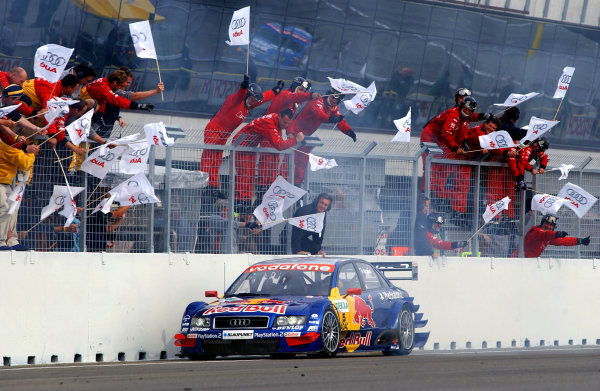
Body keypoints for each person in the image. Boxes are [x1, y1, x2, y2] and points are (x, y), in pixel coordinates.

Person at [199, 74, 278, 195]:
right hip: (214, 130)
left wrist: (274, 91)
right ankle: (205, 184)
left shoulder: (247, 106)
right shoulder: (236, 101)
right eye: (252, 98)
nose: (253, 102)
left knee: (217, 160)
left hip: (224, 135)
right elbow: (240, 94)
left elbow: (263, 99)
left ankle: (213, 186)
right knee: (209, 157)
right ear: (247, 95)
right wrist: (244, 86)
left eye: (254, 100)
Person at [232, 108, 304, 213]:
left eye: (288, 123)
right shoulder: (269, 123)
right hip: (241, 145)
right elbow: (279, 145)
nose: (286, 126)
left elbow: (278, 143)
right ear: (279, 116)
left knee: (250, 176)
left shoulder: (276, 122)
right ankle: (239, 202)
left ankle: (246, 202)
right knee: (244, 174)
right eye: (284, 122)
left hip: (250, 146)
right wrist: (295, 140)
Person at [256, 76, 320, 193]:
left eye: (304, 91)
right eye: (301, 89)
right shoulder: (286, 95)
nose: (303, 92)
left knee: (274, 161)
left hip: (276, 131)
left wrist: (290, 132)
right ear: (294, 87)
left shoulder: (293, 104)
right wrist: (310, 95)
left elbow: (288, 121)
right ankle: (262, 188)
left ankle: (269, 187)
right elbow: (294, 96)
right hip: (268, 130)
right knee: (267, 160)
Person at [420, 96, 478, 217]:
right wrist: (456, 148)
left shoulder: (465, 118)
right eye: (466, 109)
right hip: (433, 141)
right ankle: (427, 197)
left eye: (469, 111)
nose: (467, 112)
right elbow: (446, 134)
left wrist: (484, 116)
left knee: (444, 171)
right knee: (432, 170)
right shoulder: (454, 115)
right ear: (462, 107)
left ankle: (438, 200)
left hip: (443, 145)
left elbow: (472, 119)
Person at [286, 88, 356, 186]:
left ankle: (296, 186)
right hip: (294, 133)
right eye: (333, 97)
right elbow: (319, 115)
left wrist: (349, 131)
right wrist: (332, 119)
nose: (334, 100)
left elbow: (340, 121)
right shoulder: (317, 102)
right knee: (289, 162)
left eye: (337, 99)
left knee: (302, 163)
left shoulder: (333, 108)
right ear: (329, 95)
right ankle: (285, 183)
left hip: (306, 138)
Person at [0, 126, 39, 251]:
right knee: (5, 209)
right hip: (1, 183)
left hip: (6, 183)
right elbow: (24, 163)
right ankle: (1, 241)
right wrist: (32, 154)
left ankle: (11, 240)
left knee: (13, 209)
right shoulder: (6, 146)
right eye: (29, 142)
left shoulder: (13, 147)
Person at [512, 214, 589, 258]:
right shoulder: (536, 231)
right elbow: (545, 234)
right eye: (546, 223)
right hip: (517, 260)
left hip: (528, 262)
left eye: (551, 225)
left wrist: (580, 241)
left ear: (553, 227)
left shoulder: (548, 238)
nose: (548, 226)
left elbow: (563, 241)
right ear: (542, 223)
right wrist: (557, 234)